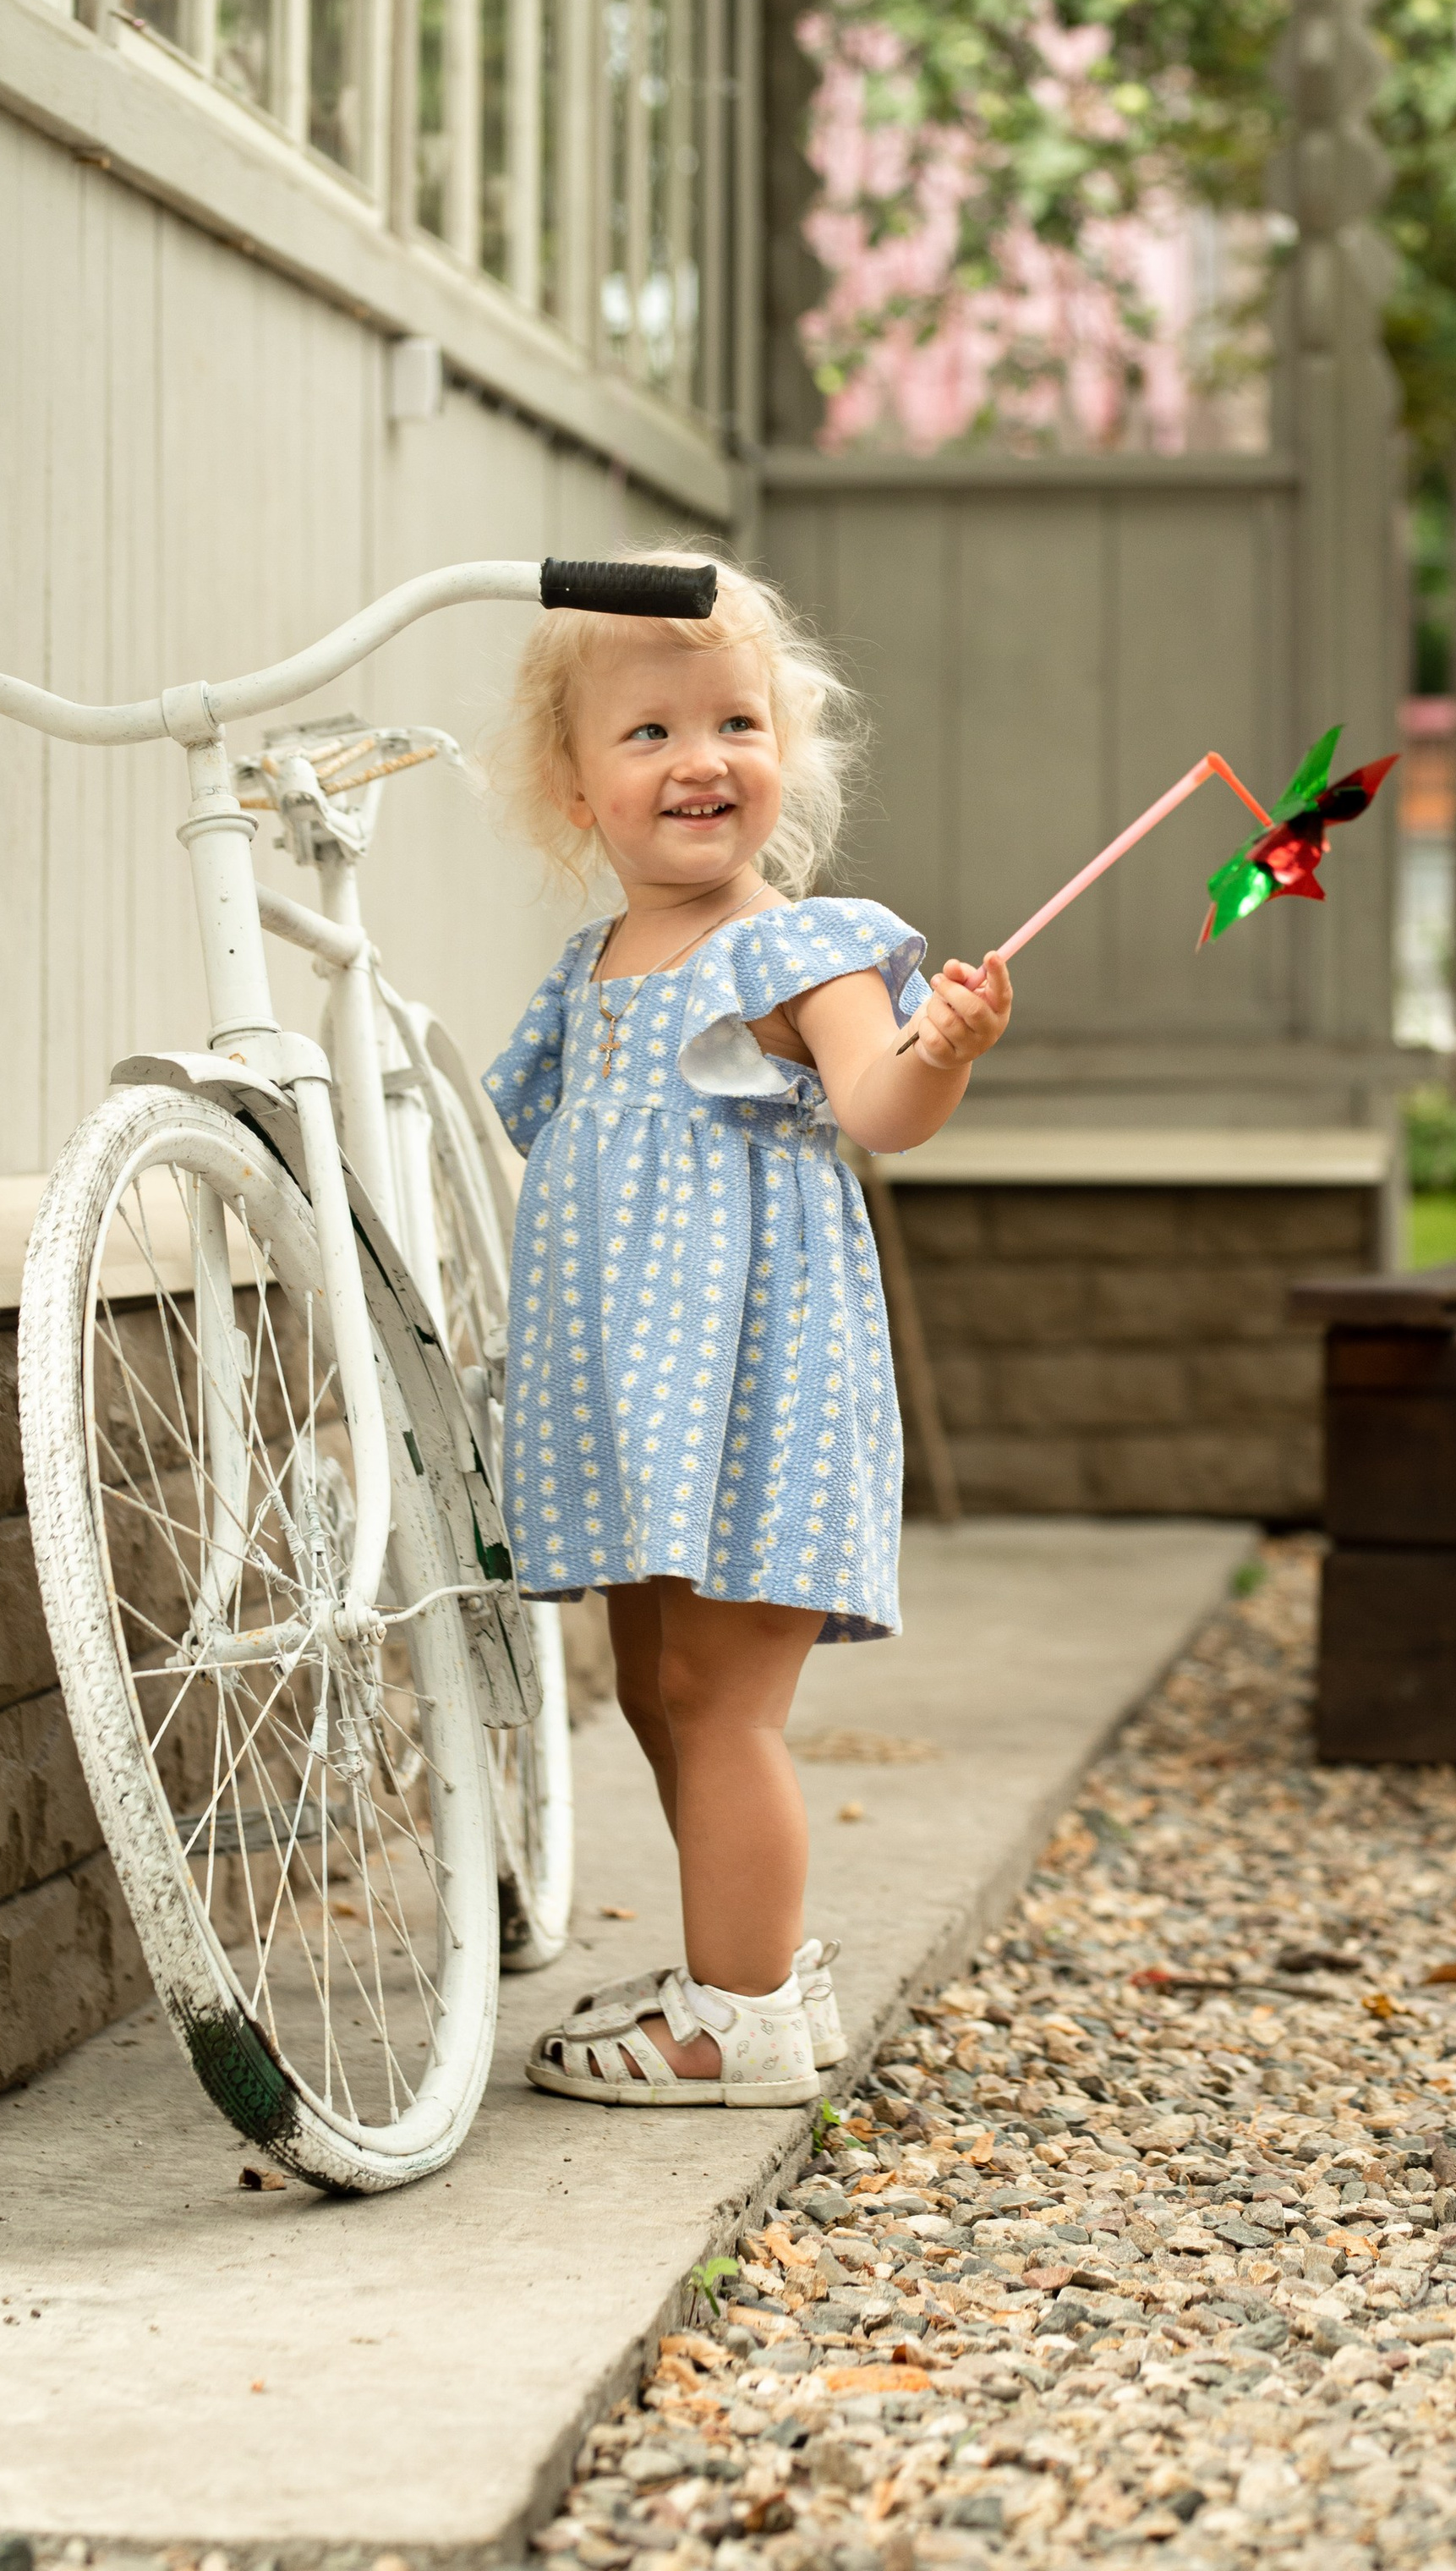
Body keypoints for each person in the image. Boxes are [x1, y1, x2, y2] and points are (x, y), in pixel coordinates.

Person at [480, 547, 1011, 2108]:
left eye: (735, 724)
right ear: (576, 789)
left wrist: (947, 1049)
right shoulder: (593, 968)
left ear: (787, 754)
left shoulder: (802, 946)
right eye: (647, 735)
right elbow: (557, 1138)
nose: (699, 760)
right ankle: (744, 1961)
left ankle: (744, 2017)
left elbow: (880, 1107)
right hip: (645, 1405)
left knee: (722, 1703)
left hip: (752, 1391)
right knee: (658, 1694)